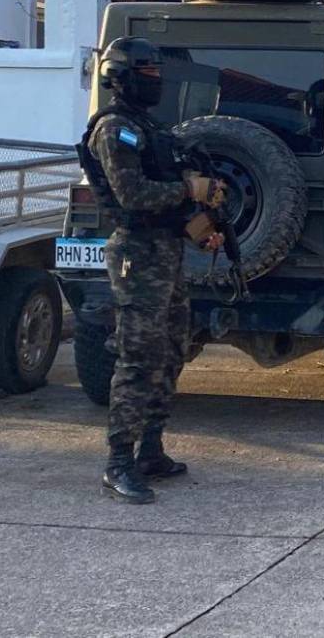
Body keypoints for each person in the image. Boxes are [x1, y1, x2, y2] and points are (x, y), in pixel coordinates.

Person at [79, 38, 227, 504]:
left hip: (166, 255)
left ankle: (151, 451)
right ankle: (118, 462)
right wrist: (190, 189)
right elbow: (134, 197)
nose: (156, 81)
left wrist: (201, 228)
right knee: (137, 359)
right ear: (120, 78)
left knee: (171, 353)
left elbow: (167, 197)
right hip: (137, 258)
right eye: (147, 74)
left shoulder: (148, 128)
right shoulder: (115, 129)